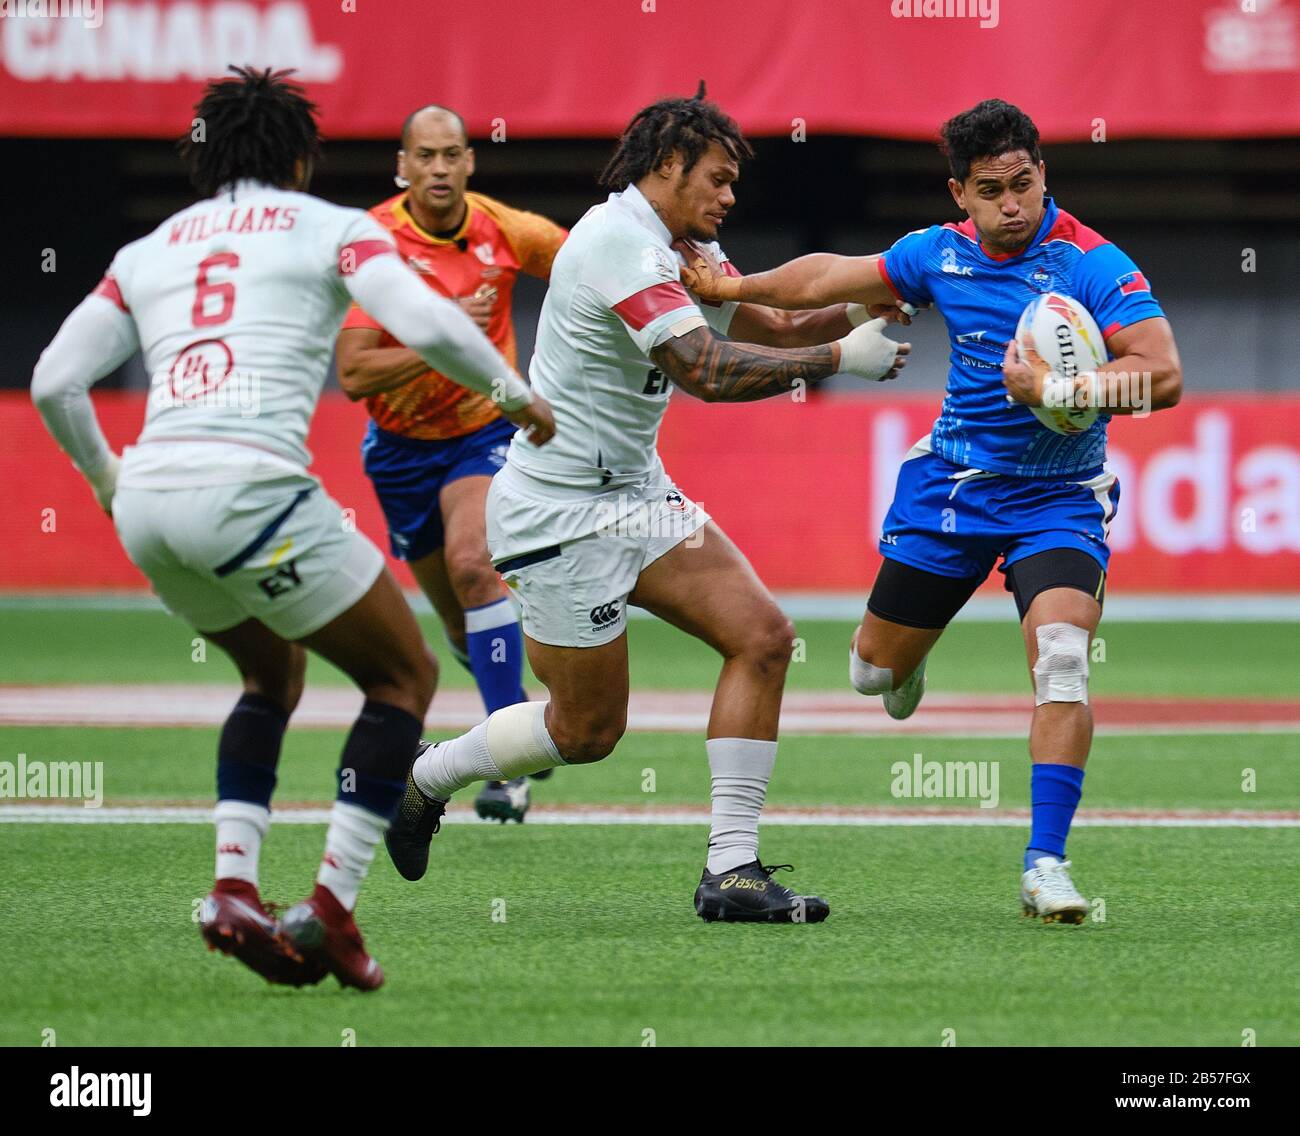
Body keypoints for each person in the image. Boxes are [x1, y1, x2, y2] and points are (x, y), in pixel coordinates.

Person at [29, 67, 554, 990]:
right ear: (303, 157)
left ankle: (234, 886)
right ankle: (332, 911)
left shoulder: (148, 249)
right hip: (252, 491)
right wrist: (514, 393)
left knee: (271, 676)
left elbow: (53, 382)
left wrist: (107, 482)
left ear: (204, 157)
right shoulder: (335, 229)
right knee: (404, 675)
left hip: (151, 502)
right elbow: (427, 321)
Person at [383, 87, 911, 923]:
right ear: (668, 166)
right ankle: (426, 776)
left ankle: (730, 873)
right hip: (558, 516)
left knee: (764, 638)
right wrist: (840, 356)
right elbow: (703, 367)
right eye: (719, 177)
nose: (730, 196)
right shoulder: (618, 244)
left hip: (636, 496)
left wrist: (858, 307)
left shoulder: (670, 238)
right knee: (586, 732)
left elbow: (760, 319)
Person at [681, 98, 1183, 923]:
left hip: (1059, 498)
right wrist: (730, 285)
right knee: (870, 670)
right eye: (992, 190)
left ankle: (1045, 865)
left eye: (1024, 183)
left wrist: (1067, 389)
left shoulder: (1094, 264)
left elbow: (1163, 378)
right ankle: (905, 665)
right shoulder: (936, 257)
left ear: (1043, 174)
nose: (1013, 204)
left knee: (1061, 658)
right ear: (961, 194)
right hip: (954, 487)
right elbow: (825, 276)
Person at [335, 105, 569, 824]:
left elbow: (595, 262)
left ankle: (508, 766)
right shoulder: (373, 242)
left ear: (470, 162)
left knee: (475, 568)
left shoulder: (506, 231)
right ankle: (513, 705)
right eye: (424, 156)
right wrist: (438, 336)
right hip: (399, 452)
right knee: (460, 622)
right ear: (402, 167)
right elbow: (353, 374)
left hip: (483, 432)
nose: (438, 168)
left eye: (451, 155)